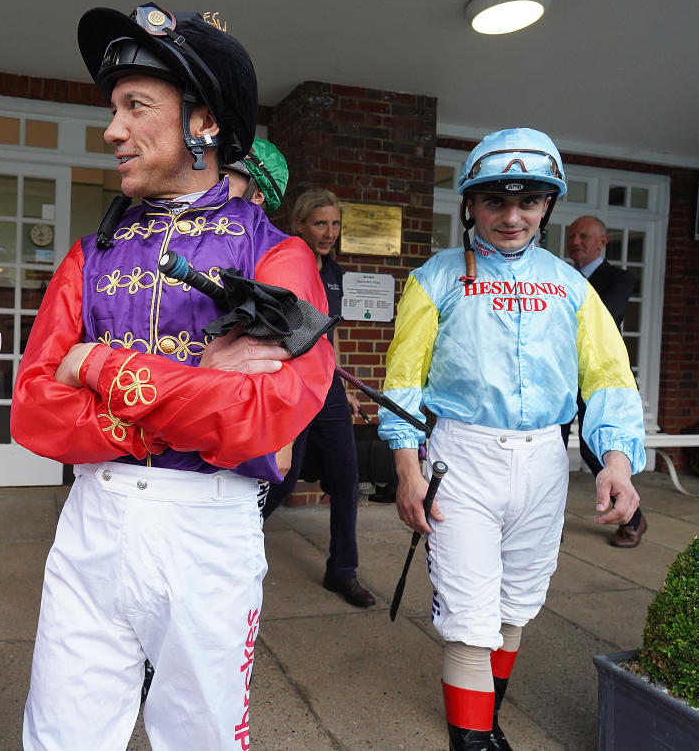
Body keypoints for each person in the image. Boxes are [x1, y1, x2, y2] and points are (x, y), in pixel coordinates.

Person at [11, 2, 333, 750]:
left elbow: (262, 418)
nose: (111, 130)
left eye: (135, 107)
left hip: (209, 528)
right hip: (92, 522)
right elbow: (32, 409)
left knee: (202, 738)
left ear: (204, 124)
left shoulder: (279, 256)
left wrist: (97, 363)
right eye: (113, 108)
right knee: (60, 736)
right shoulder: (88, 256)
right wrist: (199, 380)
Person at [379, 128, 645, 750]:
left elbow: (608, 374)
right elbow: (404, 378)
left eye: (528, 202)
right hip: (462, 457)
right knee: (472, 618)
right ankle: (471, 742)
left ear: (547, 205)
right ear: (470, 204)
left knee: (513, 607)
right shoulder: (435, 278)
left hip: (544, 462)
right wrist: (406, 468)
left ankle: (488, 723)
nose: (512, 216)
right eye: (496, 201)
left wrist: (617, 462)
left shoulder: (573, 286)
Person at [261, 188, 374, 607]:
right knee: (283, 475)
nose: (329, 232)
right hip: (291, 382)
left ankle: (342, 571)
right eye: (320, 223)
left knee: (346, 477)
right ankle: (228, 545)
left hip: (326, 386)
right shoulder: (286, 264)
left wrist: (342, 387)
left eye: (335, 224)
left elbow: (331, 332)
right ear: (300, 225)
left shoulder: (335, 274)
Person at [562, 215, 645, 546]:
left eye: (584, 235)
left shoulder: (619, 279)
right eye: (571, 236)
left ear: (602, 241)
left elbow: (605, 319)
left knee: (591, 448)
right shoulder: (561, 278)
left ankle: (632, 516)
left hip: (597, 379)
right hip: (559, 377)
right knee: (550, 449)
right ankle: (546, 522)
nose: (576, 241)